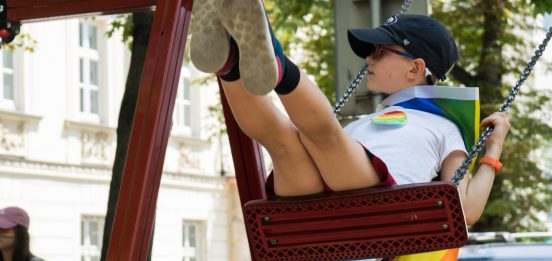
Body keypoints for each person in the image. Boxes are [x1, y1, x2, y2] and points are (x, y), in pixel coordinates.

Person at [191, 1, 510, 225]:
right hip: (308, 203)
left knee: (322, 134)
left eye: (380, 52)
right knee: (283, 139)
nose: (369, 60)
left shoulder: (444, 125)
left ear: (416, 68)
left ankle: (277, 64)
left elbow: (465, 210)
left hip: (378, 202)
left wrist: (492, 149)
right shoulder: (366, 120)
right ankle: (229, 62)